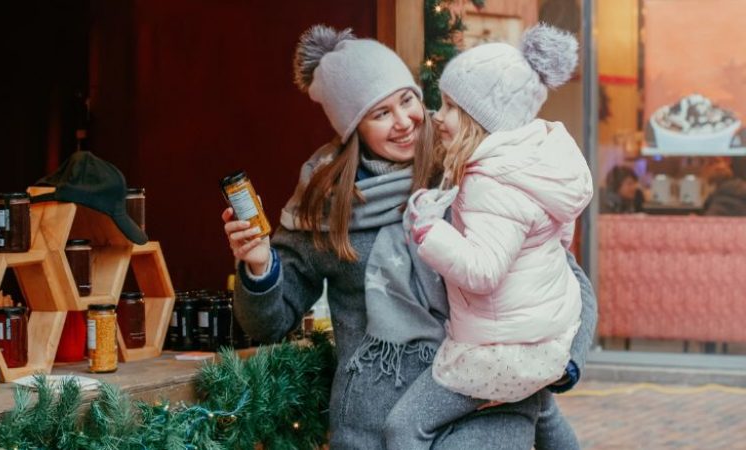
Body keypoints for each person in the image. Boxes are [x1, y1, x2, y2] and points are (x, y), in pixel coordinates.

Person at [222, 25, 596, 449]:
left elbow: (566, 280)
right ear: (353, 127)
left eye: (408, 101)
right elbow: (269, 322)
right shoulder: (326, 207)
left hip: (485, 415)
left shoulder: (470, 172)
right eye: (380, 114)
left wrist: (558, 366)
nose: (404, 123)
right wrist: (257, 264)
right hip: (372, 428)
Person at [387, 24, 592, 450]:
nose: (435, 116)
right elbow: (559, 243)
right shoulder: (536, 163)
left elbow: (482, 271)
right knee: (541, 405)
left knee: (404, 426)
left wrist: (429, 231)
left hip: (498, 351)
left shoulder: (490, 182)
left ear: (481, 120)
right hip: (545, 337)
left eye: (449, 106)